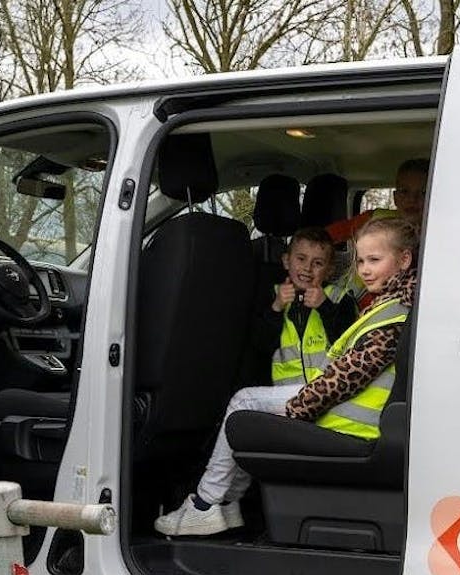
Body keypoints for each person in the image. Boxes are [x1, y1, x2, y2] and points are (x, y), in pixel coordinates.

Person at [155, 216, 419, 536]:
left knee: (243, 402)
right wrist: (276, 307)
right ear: (286, 260)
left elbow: (348, 376)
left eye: (374, 260)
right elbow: (262, 344)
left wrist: (297, 409)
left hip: (344, 416)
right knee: (247, 406)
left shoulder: (380, 310)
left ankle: (205, 505)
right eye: (361, 260)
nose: (364, 269)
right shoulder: (391, 303)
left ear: (404, 259)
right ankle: (225, 504)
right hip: (332, 404)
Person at [251, 227, 357, 387]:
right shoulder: (272, 296)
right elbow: (260, 347)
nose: (307, 268)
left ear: (329, 271)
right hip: (283, 392)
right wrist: (277, 307)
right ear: (286, 261)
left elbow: (349, 346)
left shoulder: (341, 298)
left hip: (327, 388)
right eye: (301, 259)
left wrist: (324, 306)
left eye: (318, 263)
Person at [326, 158, 428, 310]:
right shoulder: (374, 219)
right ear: (395, 197)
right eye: (405, 192)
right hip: (349, 301)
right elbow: (324, 237)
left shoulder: (438, 234)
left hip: (394, 310)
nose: (412, 199)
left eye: (423, 192)